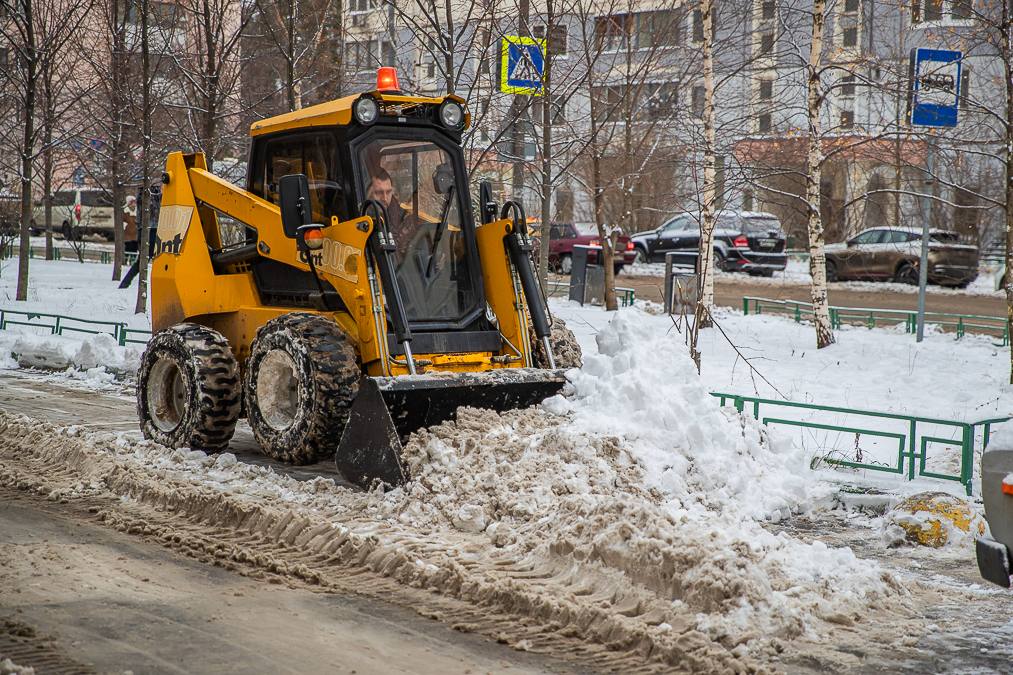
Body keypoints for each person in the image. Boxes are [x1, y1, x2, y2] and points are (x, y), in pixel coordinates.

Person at [118, 187, 159, 289]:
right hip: (150, 230)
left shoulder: (143, 197)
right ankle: (125, 283)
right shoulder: (151, 197)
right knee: (144, 259)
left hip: (146, 229)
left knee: (143, 259)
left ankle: (125, 283)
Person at [366, 168, 414, 248]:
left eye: (388, 192)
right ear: (368, 194)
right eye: (379, 193)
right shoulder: (360, 217)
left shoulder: (402, 218)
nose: (384, 198)